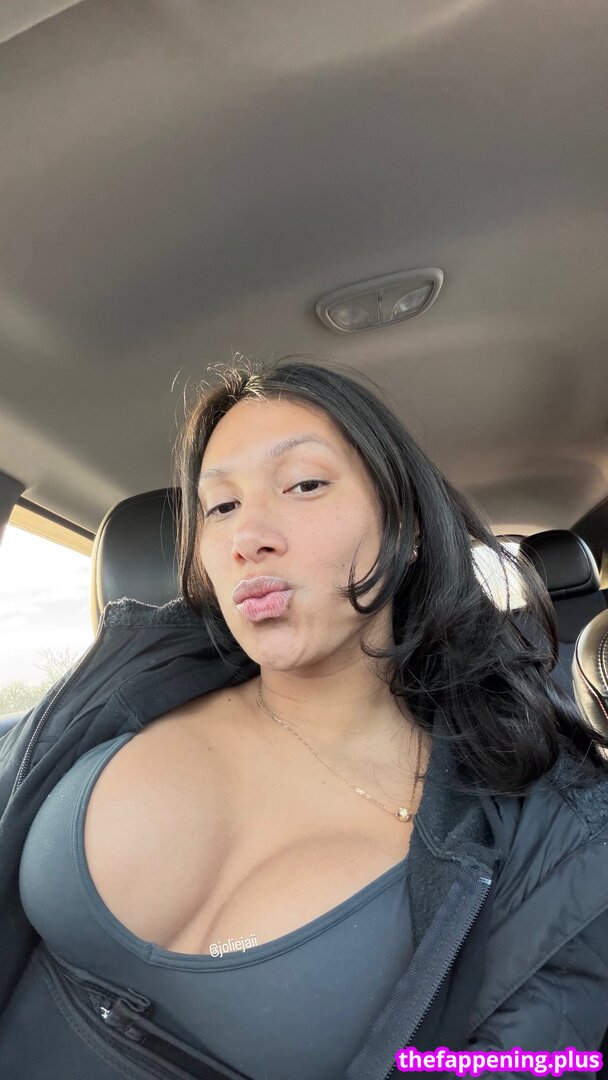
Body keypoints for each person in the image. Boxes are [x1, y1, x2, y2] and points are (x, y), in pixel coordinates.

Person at [0, 355, 607, 1080]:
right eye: (220, 506)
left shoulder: (554, 844)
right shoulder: (115, 691)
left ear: (407, 526)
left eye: (305, 485)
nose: (246, 536)